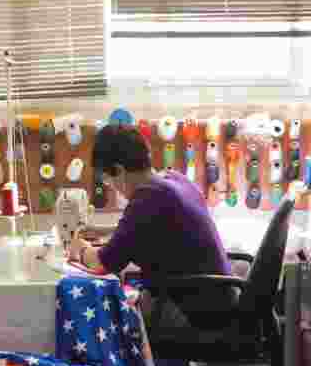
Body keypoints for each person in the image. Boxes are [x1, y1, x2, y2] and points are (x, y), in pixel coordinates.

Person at [67, 124, 235, 330]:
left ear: (119, 171)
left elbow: (103, 262)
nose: (113, 188)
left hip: (195, 314)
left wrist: (79, 249)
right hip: (219, 300)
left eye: (109, 181)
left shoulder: (147, 199)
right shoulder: (173, 179)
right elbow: (144, 225)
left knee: (110, 323)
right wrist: (103, 231)